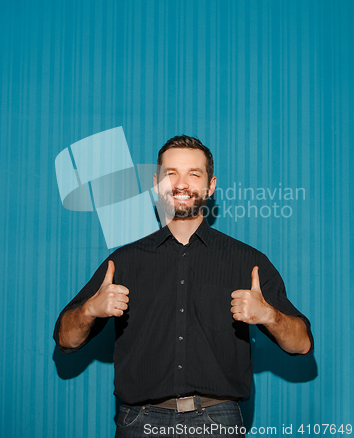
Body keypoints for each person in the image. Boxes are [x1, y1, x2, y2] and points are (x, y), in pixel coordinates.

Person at [54, 135, 313, 437]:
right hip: (140, 423)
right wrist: (89, 310)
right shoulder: (123, 262)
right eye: (171, 173)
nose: (181, 183)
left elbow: (302, 344)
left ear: (211, 185)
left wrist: (269, 315)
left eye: (194, 173)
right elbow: (65, 339)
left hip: (219, 422)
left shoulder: (247, 261)